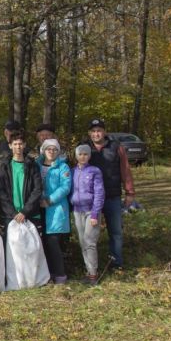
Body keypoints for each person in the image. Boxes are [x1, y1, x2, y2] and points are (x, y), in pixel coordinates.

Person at [84, 118, 135, 270]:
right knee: (91, 235)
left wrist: (130, 192)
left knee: (116, 232)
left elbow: (125, 170)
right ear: (89, 133)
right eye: (93, 131)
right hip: (92, 199)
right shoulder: (85, 148)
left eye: (99, 130)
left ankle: (116, 263)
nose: (96, 134)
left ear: (104, 132)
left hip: (112, 196)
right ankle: (92, 266)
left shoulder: (116, 147)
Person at [36, 139, 71, 284]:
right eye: (48, 149)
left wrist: (49, 200)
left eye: (54, 149)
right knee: (42, 242)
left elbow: (65, 187)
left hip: (55, 209)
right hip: (38, 207)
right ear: (43, 150)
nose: (51, 152)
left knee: (53, 242)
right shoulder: (36, 165)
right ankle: (46, 274)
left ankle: (60, 274)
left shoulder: (63, 167)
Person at [70, 144, 105, 285]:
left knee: (90, 242)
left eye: (85, 154)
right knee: (82, 242)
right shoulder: (72, 172)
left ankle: (93, 274)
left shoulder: (94, 171)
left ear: (89, 156)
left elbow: (99, 192)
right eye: (80, 154)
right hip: (77, 211)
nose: (82, 156)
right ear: (76, 156)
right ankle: (89, 270)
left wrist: (96, 213)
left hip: (91, 211)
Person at [0, 130, 43, 231]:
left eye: (20, 144)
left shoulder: (32, 165)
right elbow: (1, 191)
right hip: (10, 216)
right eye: (15, 144)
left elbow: (37, 189)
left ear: (24, 145)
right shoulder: (4, 166)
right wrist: (13, 213)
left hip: (30, 214)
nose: (18, 147)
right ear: (10, 146)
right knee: (11, 247)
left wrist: (24, 211)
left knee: (33, 246)